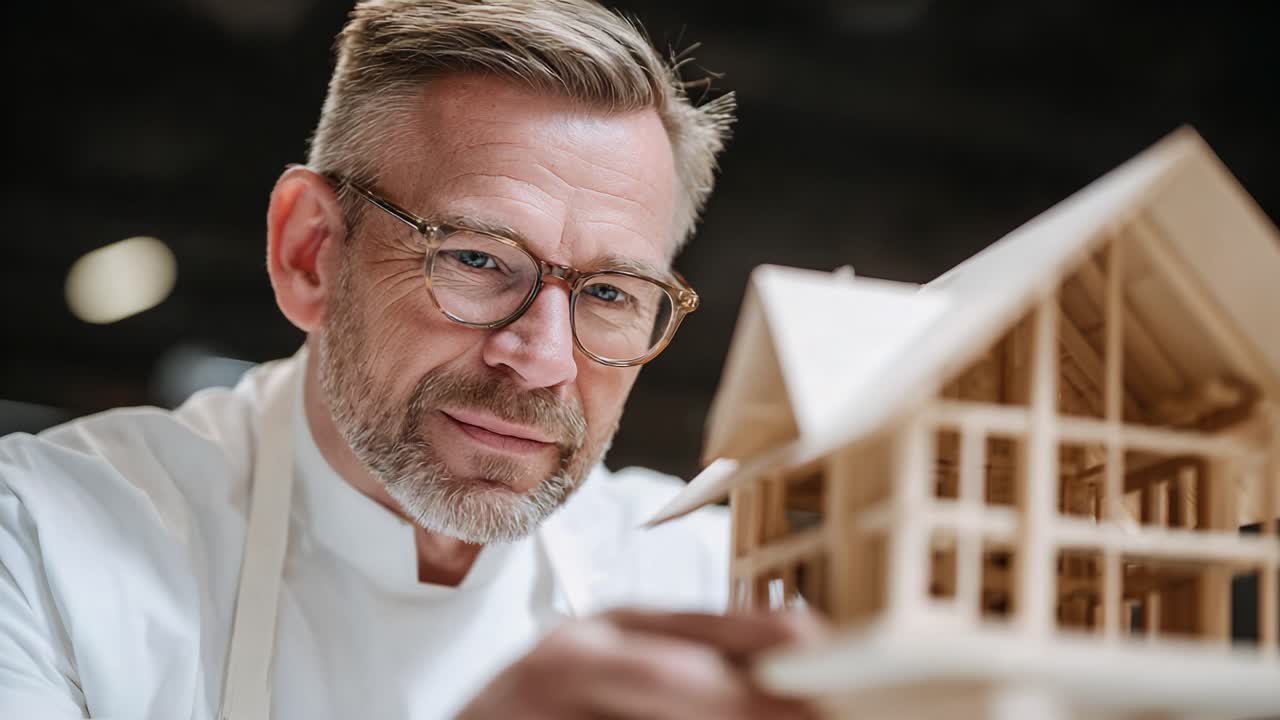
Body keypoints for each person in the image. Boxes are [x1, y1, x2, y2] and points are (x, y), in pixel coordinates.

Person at [0, 1, 823, 718]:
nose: (540, 361)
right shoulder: (43, 542)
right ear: (309, 252)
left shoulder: (715, 582)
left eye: (610, 294)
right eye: (475, 259)